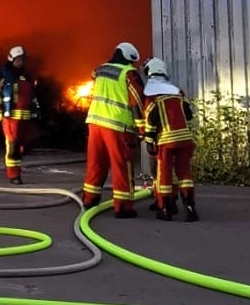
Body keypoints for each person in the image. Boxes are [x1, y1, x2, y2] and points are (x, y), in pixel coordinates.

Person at [82, 42, 145, 217]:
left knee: (96, 162)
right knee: (122, 164)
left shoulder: (101, 69)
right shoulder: (128, 74)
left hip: (95, 122)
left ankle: (90, 199)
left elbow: (94, 75)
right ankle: (123, 207)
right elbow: (137, 101)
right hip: (117, 126)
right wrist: (141, 127)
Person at [141, 57, 199, 222]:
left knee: (164, 175)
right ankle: (190, 208)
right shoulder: (177, 92)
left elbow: (151, 121)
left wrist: (150, 140)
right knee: (184, 174)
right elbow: (188, 115)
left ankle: (165, 209)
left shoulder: (152, 95)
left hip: (166, 142)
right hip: (185, 140)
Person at [0, 45, 41, 184]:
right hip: (11, 118)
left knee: (29, 142)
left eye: (23, 59)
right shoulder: (4, 74)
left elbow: (32, 95)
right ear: (11, 59)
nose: (21, 62)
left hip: (26, 118)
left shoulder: (26, 75)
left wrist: (35, 110)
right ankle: (14, 176)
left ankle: (16, 164)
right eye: (18, 59)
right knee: (13, 148)